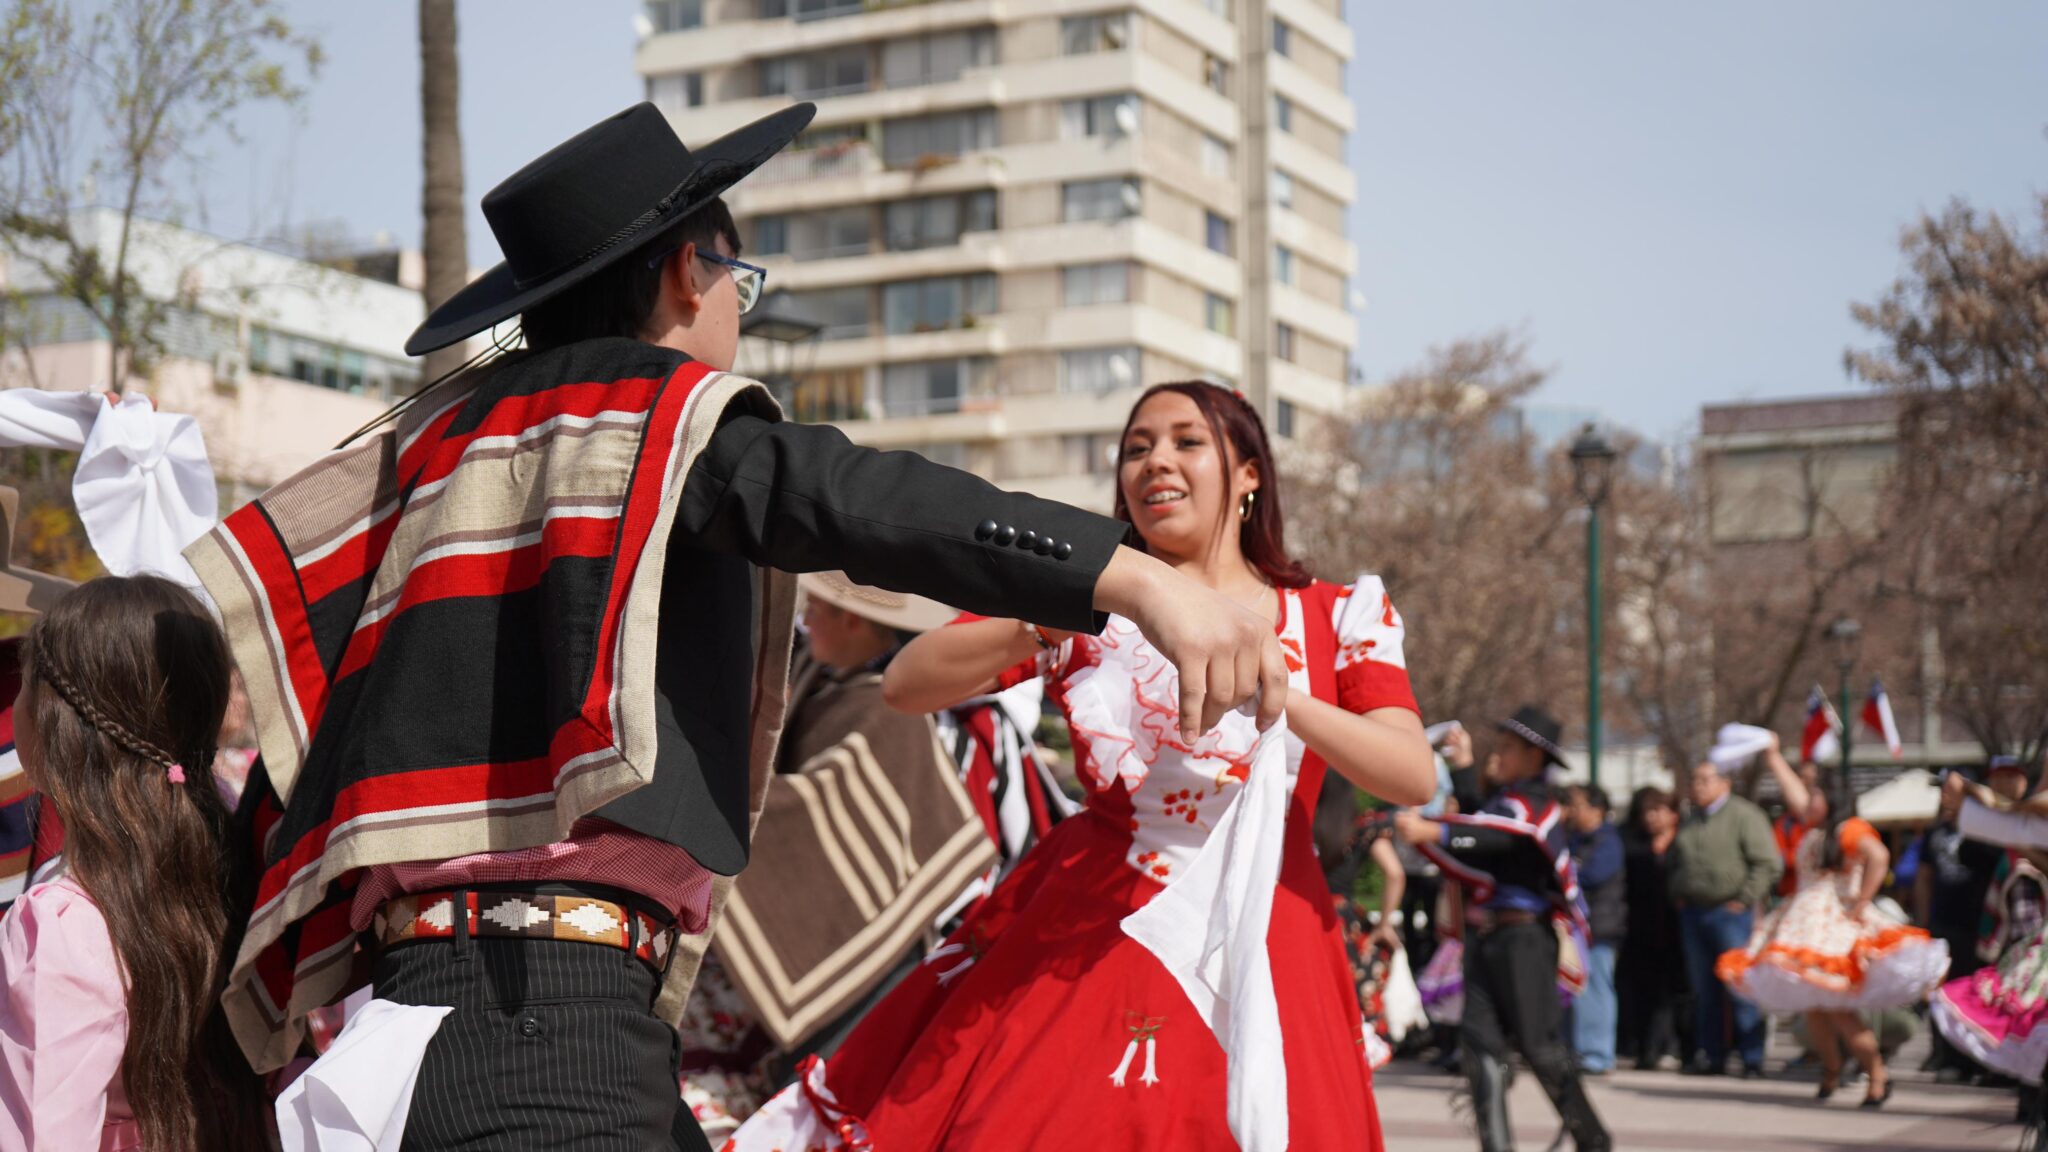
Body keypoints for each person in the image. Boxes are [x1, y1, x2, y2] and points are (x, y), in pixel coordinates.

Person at [187, 104, 1287, 1151]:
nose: (736, 315)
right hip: (549, 1024)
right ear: (685, 271)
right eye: (738, 283)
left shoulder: (429, 462)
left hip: (424, 1019)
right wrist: (1135, 580)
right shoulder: (658, 425)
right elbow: (859, 499)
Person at [731, 380, 1436, 1150]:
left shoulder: (1336, 612)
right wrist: (1048, 613)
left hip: (1268, 929)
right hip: (1091, 935)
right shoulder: (1090, 605)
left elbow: (1409, 773)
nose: (1155, 462)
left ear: (1249, 474)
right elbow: (906, 685)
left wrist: (1273, 689)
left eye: (1185, 442)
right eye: (1137, 449)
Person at [679, 573, 998, 1141]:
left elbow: (815, 805)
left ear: (852, 620)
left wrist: (700, 796)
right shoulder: (820, 681)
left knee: (826, 1086)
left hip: (880, 958)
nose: (806, 622)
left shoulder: (884, 705)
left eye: (818, 611)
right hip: (844, 934)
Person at [0, 575, 271, 1149]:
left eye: (23, 685)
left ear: (53, 723)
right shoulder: (236, 876)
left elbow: (41, 1133)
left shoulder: (60, 924)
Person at [1396, 708, 1613, 1152]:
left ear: (1535, 756)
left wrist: (1435, 832)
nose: (1501, 752)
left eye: (1510, 747)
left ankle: (1593, 1140)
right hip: (1486, 938)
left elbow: (1502, 837)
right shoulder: (1506, 803)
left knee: (1540, 1046)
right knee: (1479, 1047)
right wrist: (1463, 768)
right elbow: (1483, 827)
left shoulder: (1538, 804)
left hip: (1525, 939)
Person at [1715, 736, 1949, 1107]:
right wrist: (1774, 756)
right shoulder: (1816, 829)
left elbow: (1880, 856)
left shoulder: (1848, 829)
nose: (1809, 802)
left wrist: (1862, 899)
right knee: (1814, 1007)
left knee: (1839, 1009)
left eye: (1816, 796)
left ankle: (1876, 1075)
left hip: (1829, 922)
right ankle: (1832, 1071)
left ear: (1832, 799)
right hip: (1804, 918)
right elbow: (1795, 793)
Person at [1667, 754, 1783, 1077]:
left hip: (1731, 913)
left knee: (1740, 986)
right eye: (1694, 780)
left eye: (1705, 779)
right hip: (1694, 913)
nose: (1697, 786)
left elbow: (1768, 864)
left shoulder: (1745, 816)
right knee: (1704, 989)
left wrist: (1745, 899)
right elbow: (1677, 862)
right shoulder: (1690, 820)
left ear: (1724, 783)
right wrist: (1678, 891)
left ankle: (1751, 1058)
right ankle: (1713, 1055)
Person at [1915, 769, 2005, 1079]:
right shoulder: (1934, 832)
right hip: (1944, 922)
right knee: (1944, 992)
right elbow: (1924, 876)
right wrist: (1924, 920)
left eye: (1950, 789)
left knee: (1979, 992)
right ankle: (1947, 1057)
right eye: (1942, 790)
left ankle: (1980, 1061)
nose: (1944, 795)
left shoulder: (1985, 829)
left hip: (1979, 924)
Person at [1617, 786, 1689, 1070]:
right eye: (1647, 811)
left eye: (1658, 810)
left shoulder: (1684, 844)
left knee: (1678, 991)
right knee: (1644, 991)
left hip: (1678, 927)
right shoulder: (1634, 846)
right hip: (1641, 928)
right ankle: (1646, 1049)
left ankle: (1680, 1047)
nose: (1652, 817)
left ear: (1673, 815)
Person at [1566, 784, 1625, 1075]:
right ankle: (1578, 1050)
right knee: (1576, 989)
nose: (1573, 811)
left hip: (1599, 927)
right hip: (1575, 928)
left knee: (1596, 989)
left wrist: (1569, 870)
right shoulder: (1575, 840)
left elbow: (1590, 876)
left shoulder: (1608, 841)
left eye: (1579, 805)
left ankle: (1597, 1054)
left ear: (1597, 810)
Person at [1771, 761, 1827, 899]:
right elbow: (1777, 857)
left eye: (1811, 778)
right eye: (1801, 777)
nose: (1805, 783)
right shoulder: (1785, 823)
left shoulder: (1835, 827)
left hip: (1822, 894)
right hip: (1791, 894)